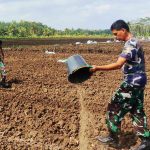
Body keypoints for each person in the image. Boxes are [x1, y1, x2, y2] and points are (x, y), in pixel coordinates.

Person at [90, 20, 150, 150]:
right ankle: (146, 141)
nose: (116, 37)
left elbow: (118, 64)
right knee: (136, 110)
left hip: (132, 82)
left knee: (114, 106)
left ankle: (113, 137)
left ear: (123, 30)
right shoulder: (135, 42)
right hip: (139, 81)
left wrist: (97, 68)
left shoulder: (131, 44)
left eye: (116, 34)